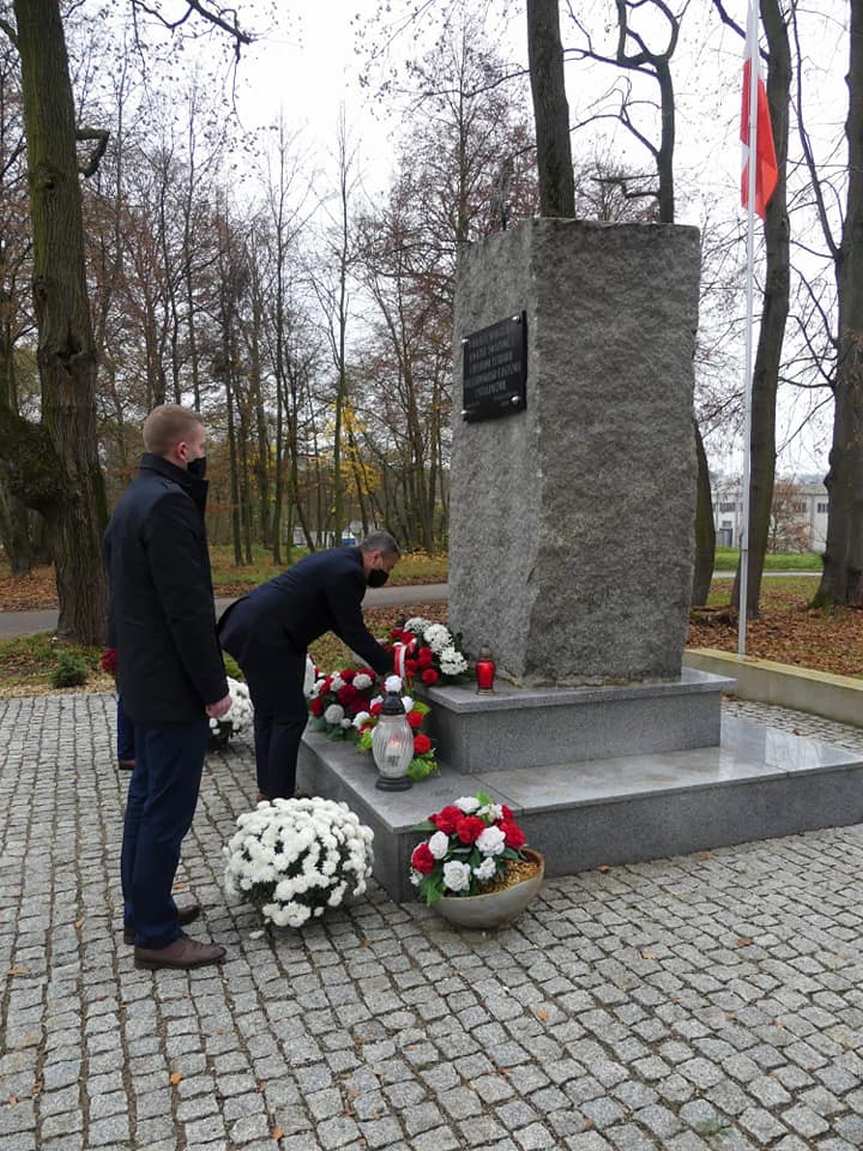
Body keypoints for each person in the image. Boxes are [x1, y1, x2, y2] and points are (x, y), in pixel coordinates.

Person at [104, 404, 231, 972]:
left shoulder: (131, 502)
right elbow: (187, 612)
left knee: (146, 800)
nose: (205, 454)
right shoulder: (170, 506)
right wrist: (214, 687)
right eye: (201, 445)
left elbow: (124, 599)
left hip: (143, 679)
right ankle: (155, 935)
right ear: (182, 451)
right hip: (171, 685)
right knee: (166, 811)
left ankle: (143, 910)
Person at [218, 532, 399, 801]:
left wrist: (378, 657)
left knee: (269, 712)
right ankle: (279, 797)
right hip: (268, 635)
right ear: (376, 556)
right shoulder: (349, 573)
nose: (387, 574)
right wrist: (388, 664)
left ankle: (268, 791)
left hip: (256, 627)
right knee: (289, 716)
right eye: (389, 567)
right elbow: (352, 629)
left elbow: (339, 622)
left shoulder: (339, 560)